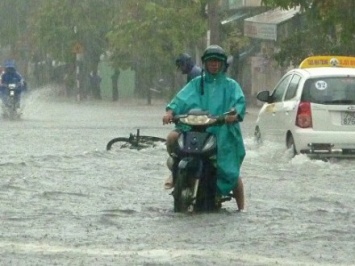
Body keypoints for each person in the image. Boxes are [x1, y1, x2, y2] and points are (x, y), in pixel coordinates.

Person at [163, 45, 246, 211]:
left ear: (223, 64)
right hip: (193, 128)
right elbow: (180, 99)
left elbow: (239, 103)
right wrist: (170, 112)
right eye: (210, 61)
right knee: (172, 138)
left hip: (222, 130)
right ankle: (175, 173)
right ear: (205, 64)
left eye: (217, 62)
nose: (214, 65)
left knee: (231, 171)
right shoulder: (195, 83)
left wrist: (233, 115)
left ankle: (242, 208)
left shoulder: (231, 85)